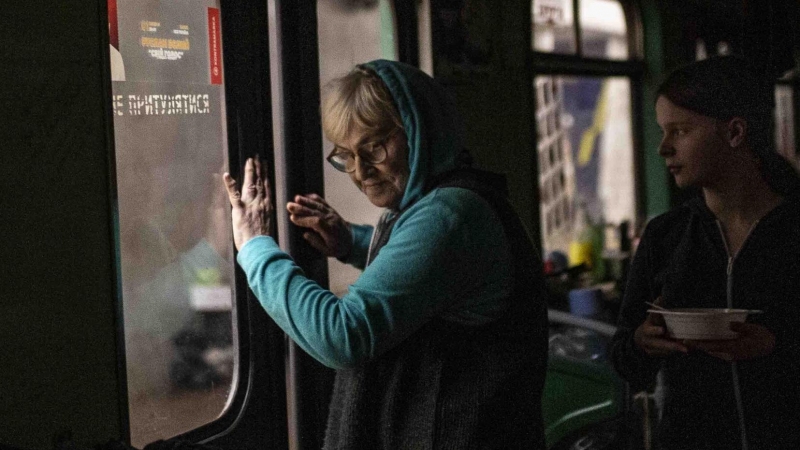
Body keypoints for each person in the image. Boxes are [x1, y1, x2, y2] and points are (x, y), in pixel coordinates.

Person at [222, 60, 549, 449]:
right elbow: (434, 282)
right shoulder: (445, 204)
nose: (360, 171)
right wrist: (351, 243)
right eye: (345, 155)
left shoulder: (450, 215)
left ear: (420, 132)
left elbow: (342, 335)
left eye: (374, 148)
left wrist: (257, 247)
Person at [610, 55, 800, 450]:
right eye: (663, 131)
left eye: (679, 131)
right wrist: (642, 343)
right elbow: (624, 357)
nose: (663, 148)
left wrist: (775, 346)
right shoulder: (666, 236)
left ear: (734, 132)